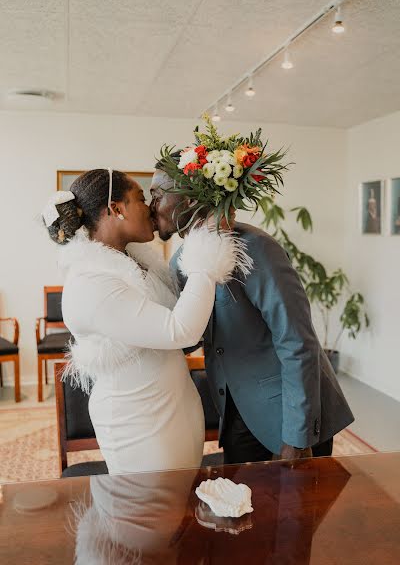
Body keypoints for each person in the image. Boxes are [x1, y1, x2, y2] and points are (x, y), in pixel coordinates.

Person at [43, 168, 249, 475]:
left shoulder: (135, 262)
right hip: (139, 424)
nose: (151, 208)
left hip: (176, 409)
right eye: (141, 198)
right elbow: (180, 330)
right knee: (148, 514)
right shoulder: (91, 282)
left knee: (179, 509)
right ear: (116, 209)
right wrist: (207, 245)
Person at [150, 167, 355, 464]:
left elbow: (297, 342)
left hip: (291, 414)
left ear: (190, 200)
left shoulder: (256, 248)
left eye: (157, 195)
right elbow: (186, 337)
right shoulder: (179, 263)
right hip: (234, 411)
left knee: (301, 510)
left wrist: (297, 438)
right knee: (244, 506)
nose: (151, 205)